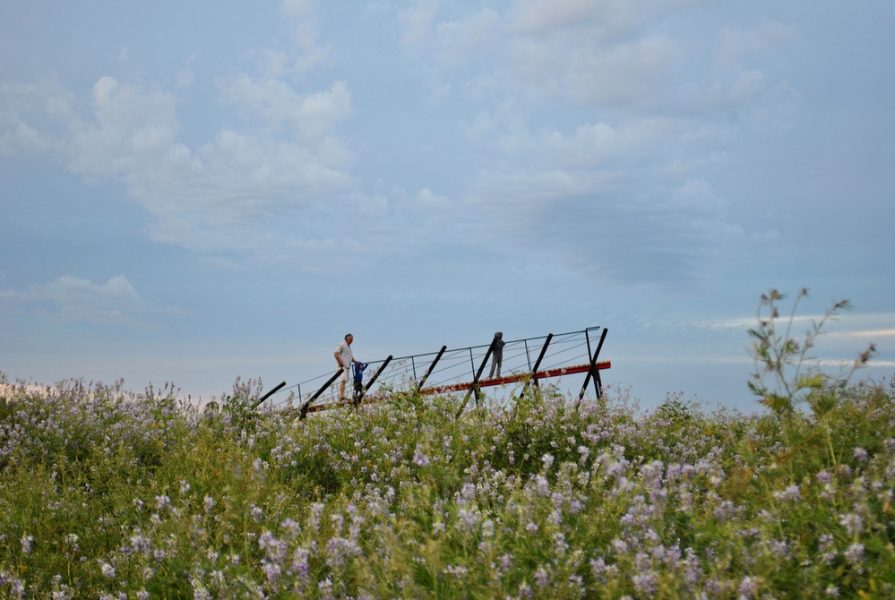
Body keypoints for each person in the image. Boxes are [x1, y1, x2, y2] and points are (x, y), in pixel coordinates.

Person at [334, 333, 357, 403]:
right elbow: (335, 353)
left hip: (347, 367)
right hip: (343, 366)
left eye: (352, 339)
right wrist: (340, 362)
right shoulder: (341, 344)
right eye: (351, 339)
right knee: (343, 381)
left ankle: (342, 396)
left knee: (345, 381)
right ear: (347, 339)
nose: (352, 341)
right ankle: (341, 397)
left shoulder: (348, 346)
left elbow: (350, 356)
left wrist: (356, 361)